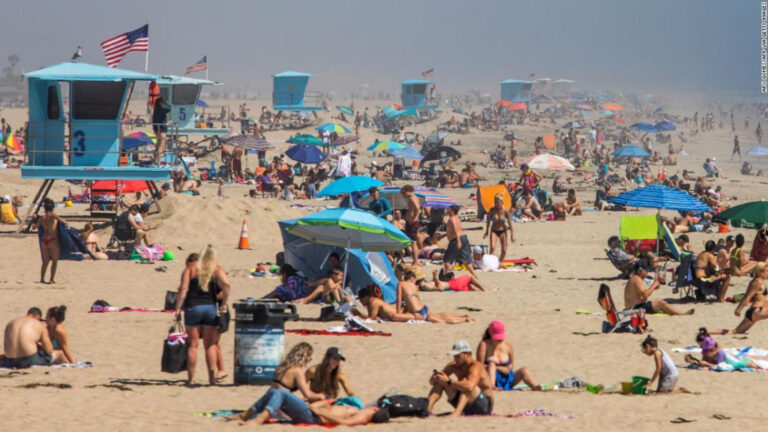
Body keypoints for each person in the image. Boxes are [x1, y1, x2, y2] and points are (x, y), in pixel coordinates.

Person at [227, 342, 325, 425]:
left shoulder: (281, 366)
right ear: (305, 356)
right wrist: (320, 396)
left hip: (274, 402)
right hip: (281, 407)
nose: (310, 360)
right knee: (279, 392)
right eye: (309, 356)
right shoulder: (297, 371)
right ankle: (254, 419)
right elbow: (307, 394)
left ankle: (245, 415)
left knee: (274, 392)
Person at [174, 246, 231, 385]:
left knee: (193, 346)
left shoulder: (190, 270)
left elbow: (183, 289)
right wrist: (224, 303)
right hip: (210, 308)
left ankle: (191, 379)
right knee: (210, 345)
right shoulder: (215, 269)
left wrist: (178, 308)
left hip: (193, 308)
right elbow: (227, 285)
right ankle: (211, 379)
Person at [428, 341, 495, 417]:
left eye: (458, 356)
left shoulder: (476, 366)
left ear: (468, 354)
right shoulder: (454, 365)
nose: (455, 358)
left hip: (484, 406)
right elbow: (432, 382)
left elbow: (470, 386)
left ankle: (457, 412)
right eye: (454, 356)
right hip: (466, 403)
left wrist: (449, 381)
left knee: (465, 382)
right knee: (441, 381)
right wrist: (435, 378)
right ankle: (427, 410)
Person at [356, 285, 473, 324]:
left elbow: (372, 319)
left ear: (366, 297)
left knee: (438, 320)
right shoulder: (376, 301)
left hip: (407, 313)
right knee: (437, 316)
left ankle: (463, 320)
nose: (361, 302)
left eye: (361, 299)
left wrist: (359, 315)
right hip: (415, 308)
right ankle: (463, 317)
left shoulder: (373, 302)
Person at [476, 321, 540, 390]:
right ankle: (492, 387)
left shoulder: (507, 344)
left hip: (507, 378)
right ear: (490, 333)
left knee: (524, 370)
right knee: (491, 365)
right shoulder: (484, 345)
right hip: (490, 377)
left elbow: (511, 364)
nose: (500, 339)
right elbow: (480, 367)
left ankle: (535, 386)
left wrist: (506, 369)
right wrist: (497, 368)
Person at [709, 262, 768, 335]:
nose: (767, 273)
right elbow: (747, 297)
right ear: (759, 272)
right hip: (757, 311)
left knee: (734, 332)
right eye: (766, 271)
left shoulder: (759, 281)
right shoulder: (757, 282)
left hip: (752, 312)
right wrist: (739, 309)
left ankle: (707, 332)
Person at [624, 261, 694, 315]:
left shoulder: (634, 279)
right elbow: (645, 294)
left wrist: (653, 287)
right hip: (634, 308)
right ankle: (683, 313)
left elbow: (643, 297)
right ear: (641, 270)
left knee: (659, 301)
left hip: (634, 306)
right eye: (646, 270)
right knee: (660, 303)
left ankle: (675, 312)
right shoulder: (636, 279)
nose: (647, 272)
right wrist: (654, 285)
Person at [35, 198, 69, 284]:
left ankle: (42, 278)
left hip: (44, 240)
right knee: (54, 261)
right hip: (53, 240)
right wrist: (67, 224)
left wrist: (35, 219)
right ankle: (51, 279)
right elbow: (63, 221)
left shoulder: (42, 218)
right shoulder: (53, 215)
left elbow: (34, 227)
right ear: (53, 208)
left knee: (45, 262)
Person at [443, 204, 476, 277]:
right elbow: (452, 230)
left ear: (452, 210)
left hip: (456, 239)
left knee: (447, 259)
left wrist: (458, 241)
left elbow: (455, 230)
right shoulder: (456, 218)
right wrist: (442, 236)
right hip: (463, 237)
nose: (446, 210)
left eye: (448, 209)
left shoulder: (452, 219)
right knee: (467, 259)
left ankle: (447, 276)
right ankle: (474, 275)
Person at [483, 194, 514, 261]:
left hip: (503, 230)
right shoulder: (492, 210)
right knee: (493, 248)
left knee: (504, 251)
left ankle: (500, 262)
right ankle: (490, 262)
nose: (496, 204)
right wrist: (487, 231)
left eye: (498, 202)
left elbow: (510, 224)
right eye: (495, 202)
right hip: (494, 230)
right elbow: (488, 221)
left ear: (502, 202)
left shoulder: (505, 211)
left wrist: (512, 235)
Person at [401, 185, 422, 266]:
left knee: (413, 242)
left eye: (403, 193)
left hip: (412, 222)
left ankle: (416, 261)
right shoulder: (415, 197)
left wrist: (413, 218)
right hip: (412, 221)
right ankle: (415, 260)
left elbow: (417, 208)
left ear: (407, 191)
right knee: (413, 242)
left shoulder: (412, 197)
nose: (403, 195)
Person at [152, 97, 171, 164]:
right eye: (163, 102)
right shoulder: (160, 109)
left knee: (158, 144)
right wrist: (166, 103)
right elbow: (169, 109)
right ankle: (158, 161)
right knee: (162, 144)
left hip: (157, 128)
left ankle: (155, 160)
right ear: (160, 103)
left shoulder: (156, 109)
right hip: (161, 128)